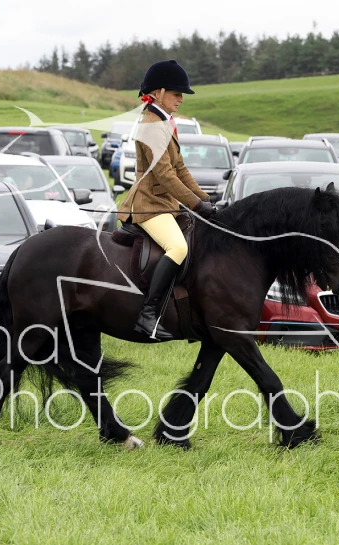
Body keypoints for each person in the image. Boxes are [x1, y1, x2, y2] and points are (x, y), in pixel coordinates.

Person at [117, 60, 214, 340]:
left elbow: (180, 168)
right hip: (148, 205)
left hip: (165, 205)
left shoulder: (164, 122)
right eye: (176, 93)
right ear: (158, 93)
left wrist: (205, 198)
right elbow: (165, 175)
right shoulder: (150, 125)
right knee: (178, 247)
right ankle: (148, 314)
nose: (181, 99)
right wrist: (196, 205)